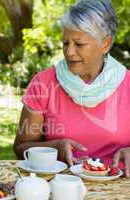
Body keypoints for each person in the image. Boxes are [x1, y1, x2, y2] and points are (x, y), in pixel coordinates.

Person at [13, 0, 130, 177]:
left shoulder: (127, 84)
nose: (69, 52)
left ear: (105, 44)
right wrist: (54, 148)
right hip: (59, 185)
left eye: (79, 44)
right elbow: (21, 148)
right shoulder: (43, 84)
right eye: (65, 43)